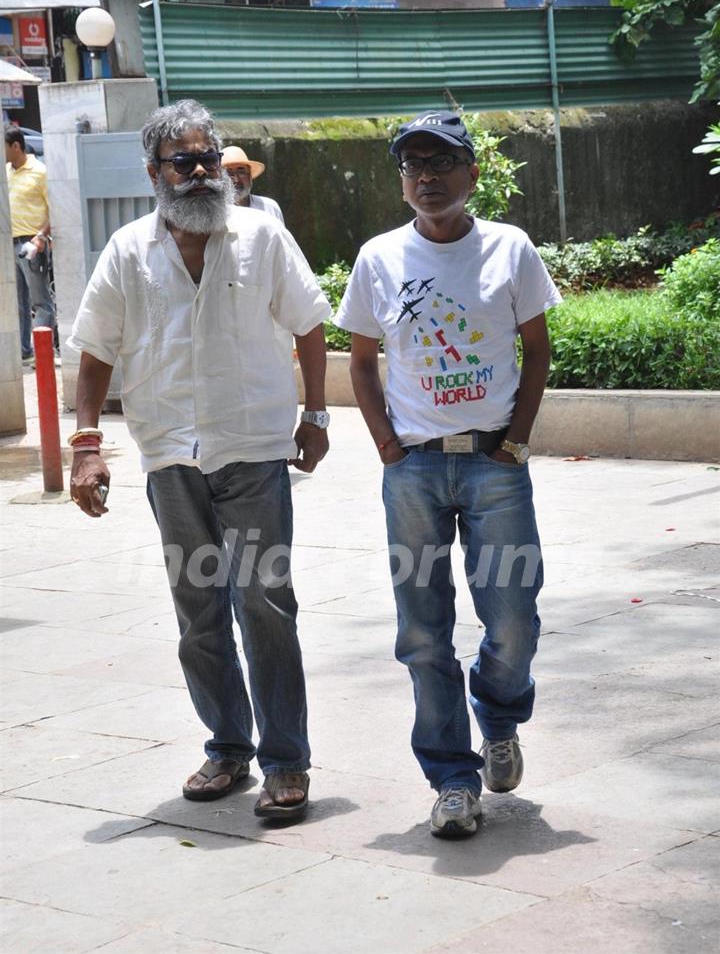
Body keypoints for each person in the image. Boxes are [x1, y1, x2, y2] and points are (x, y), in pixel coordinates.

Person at [68, 99, 332, 822]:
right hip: (169, 457)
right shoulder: (127, 249)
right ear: (154, 172)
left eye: (208, 158)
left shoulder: (261, 236)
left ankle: (286, 761)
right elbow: (95, 350)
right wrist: (86, 447)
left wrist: (315, 413)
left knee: (266, 604)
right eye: (182, 161)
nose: (199, 172)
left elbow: (309, 324)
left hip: (252, 449)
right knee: (198, 613)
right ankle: (227, 747)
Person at [335, 110, 561, 839]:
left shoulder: (510, 249)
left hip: (495, 464)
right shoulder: (377, 258)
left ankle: (497, 713)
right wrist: (388, 450)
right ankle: (452, 778)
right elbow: (361, 363)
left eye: (440, 163)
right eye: (412, 166)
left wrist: (516, 444)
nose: (426, 177)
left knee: (515, 618)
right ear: (402, 181)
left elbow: (538, 351)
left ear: (471, 173)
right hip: (415, 472)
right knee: (424, 632)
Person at [5, 124, 55, 365]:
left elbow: (55, 210)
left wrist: (41, 237)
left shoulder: (39, 171)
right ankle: (24, 350)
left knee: (40, 302)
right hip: (9, 245)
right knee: (18, 303)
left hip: (31, 244)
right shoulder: (6, 172)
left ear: (16, 146)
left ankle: (44, 356)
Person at [221, 145, 284, 222]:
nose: (236, 180)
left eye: (241, 172)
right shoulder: (216, 213)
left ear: (250, 175)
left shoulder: (270, 207)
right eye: (228, 173)